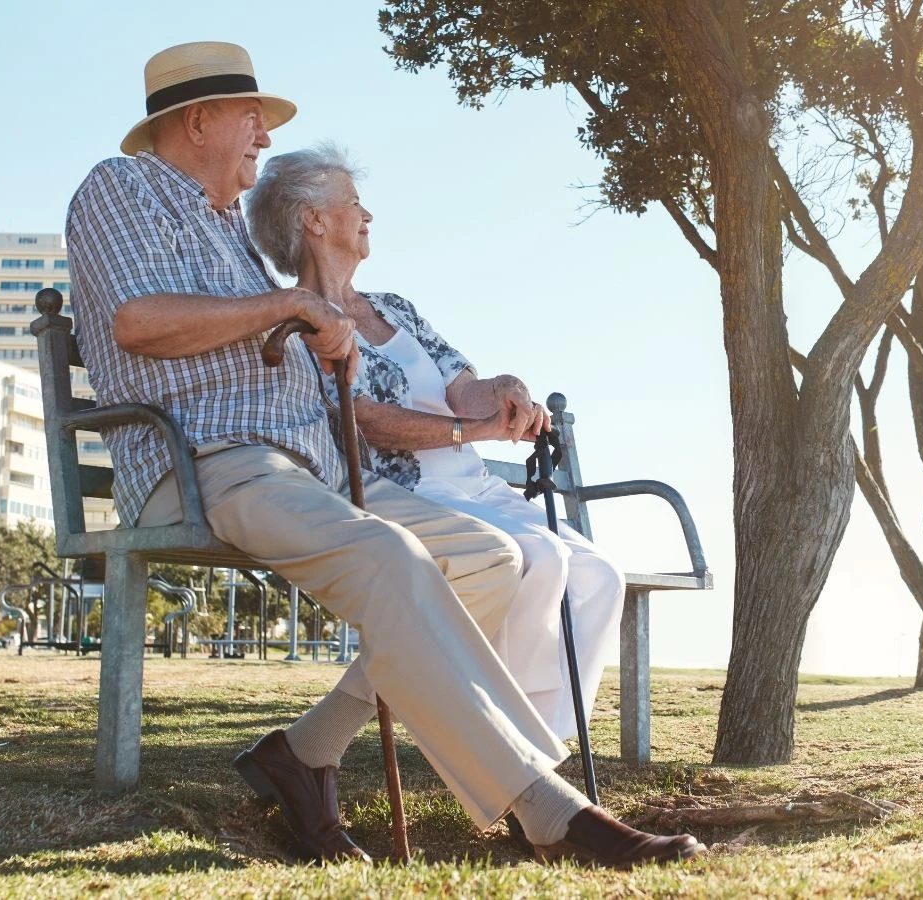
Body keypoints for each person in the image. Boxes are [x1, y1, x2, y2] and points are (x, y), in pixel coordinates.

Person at [64, 41, 701, 869]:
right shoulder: (122, 187)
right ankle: (549, 808)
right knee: (394, 556)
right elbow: (137, 322)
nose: (264, 135)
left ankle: (303, 753)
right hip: (212, 460)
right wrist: (291, 305)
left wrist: (325, 353)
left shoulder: (231, 233)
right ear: (197, 121)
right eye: (252, 117)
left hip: (314, 470)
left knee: (487, 561)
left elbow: (281, 336)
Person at [244, 145, 625, 745]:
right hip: (407, 492)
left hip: (472, 483)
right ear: (313, 219)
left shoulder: (396, 309)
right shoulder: (301, 322)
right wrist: (469, 432)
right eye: (354, 203)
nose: (367, 216)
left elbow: (462, 387)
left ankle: (545, 741)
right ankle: (506, 738)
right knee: (542, 562)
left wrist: (505, 393)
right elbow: (361, 419)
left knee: (600, 573)